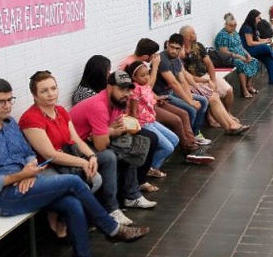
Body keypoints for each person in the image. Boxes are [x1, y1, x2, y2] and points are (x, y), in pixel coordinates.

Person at [0, 78, 148, 257]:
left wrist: (29, 172)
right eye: (0, 102)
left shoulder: (10, 124)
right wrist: (20, 176)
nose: (7, 106)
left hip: (30, 183)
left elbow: (28, 153)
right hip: (3, 198)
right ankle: (111, 229)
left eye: (10, 100)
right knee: (73, 183)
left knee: (72, 204)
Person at [19, 70, 114, 235]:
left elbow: (76, 139)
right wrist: (83, 162)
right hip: (44, 166)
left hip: (67, 158)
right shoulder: (30, 119)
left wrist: (91, 157)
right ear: (34, 95)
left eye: (53, 88)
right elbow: (50, 155)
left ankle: (65, 215)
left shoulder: (61, 111)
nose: (51, 94)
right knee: (80, 185)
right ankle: (61, 219)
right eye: (44, 91)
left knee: (96, 179)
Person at [71, 70, 158, 212]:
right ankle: (111, 209)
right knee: (111, 156)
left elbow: (117, 128)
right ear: (110, 88)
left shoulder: (118, 102)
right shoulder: (98, 105)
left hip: (94, 138)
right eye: (121, 89)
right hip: (77, 145)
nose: (126, 94)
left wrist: (109, 131)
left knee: (137, 144)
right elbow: (101, 145)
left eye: (128, 90)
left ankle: (132, 196)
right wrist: (111, 131)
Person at [124, 39, 215, 166]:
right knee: (178, 119)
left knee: (185, 112)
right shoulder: (133, 65)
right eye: (153, 55)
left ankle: (192, 143)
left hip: (153, 100)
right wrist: (155, 67)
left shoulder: (146, 64)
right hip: (145, 109)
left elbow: (179, 80)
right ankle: (189, 149)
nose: (155, 57)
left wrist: (157, 98)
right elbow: (144, 89)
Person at [124, 60, 179, 185]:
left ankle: (151, 167)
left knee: (175, 140)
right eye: (142, 76)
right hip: (143, 123)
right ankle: (149, 168)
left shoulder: (145, 86)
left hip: (151, 120)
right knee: (168, 147)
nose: (146, 77)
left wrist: (158, 99)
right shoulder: (135, 91)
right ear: (134, 77)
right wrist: (135, 129)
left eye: (147, 74)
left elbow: (150, 100)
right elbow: (133, 113)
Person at [153, 34, 212, 144]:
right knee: (190, 109)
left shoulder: (177, 60)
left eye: (177, 48)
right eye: (171, 47)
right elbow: (174, 83)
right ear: (167, 45)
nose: (174, 51)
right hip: (163, 95)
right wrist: (190, 102)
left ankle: (196, 132)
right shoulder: (163, 60)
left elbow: (183, 81)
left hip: (172, 92)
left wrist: (190, 99)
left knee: (203, 101)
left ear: (182, 48)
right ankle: (187, 139)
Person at [180, 25, 234, 112]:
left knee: (229, 90)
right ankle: (212, 119)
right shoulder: (180, 52)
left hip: (206, 75)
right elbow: (186, 75)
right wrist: (205, 81)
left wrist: (213, 80)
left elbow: (209, 64)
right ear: (188, 37)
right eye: (193, 33)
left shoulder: (198, 46)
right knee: (212, 95)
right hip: (193, 81)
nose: (196, 34)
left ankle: (228, 113)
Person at [214, 13, 260, 98]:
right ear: (226, 24)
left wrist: (247, 54)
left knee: (253, 61)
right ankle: (244, 90)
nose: (234, 27)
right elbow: (224, 52)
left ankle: (249, 85)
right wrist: (239, 57)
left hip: (241, 54)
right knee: (241, 64)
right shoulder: (222, 36)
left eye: (235, 25)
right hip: (229, 58)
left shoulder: (235, 33)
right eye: (231, 25)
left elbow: (240, 46)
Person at [240, 9, 273, 85]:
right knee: (265, 48)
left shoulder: (253, 27)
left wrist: (265, 40)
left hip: (253, 48)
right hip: (247, 51)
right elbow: (250, 43)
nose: (260, 20)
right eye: (258, 18)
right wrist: (263, 43)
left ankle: (272, 79)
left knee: (269, 59)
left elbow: (257, 39)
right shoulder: (247, 28)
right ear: (253, 18)